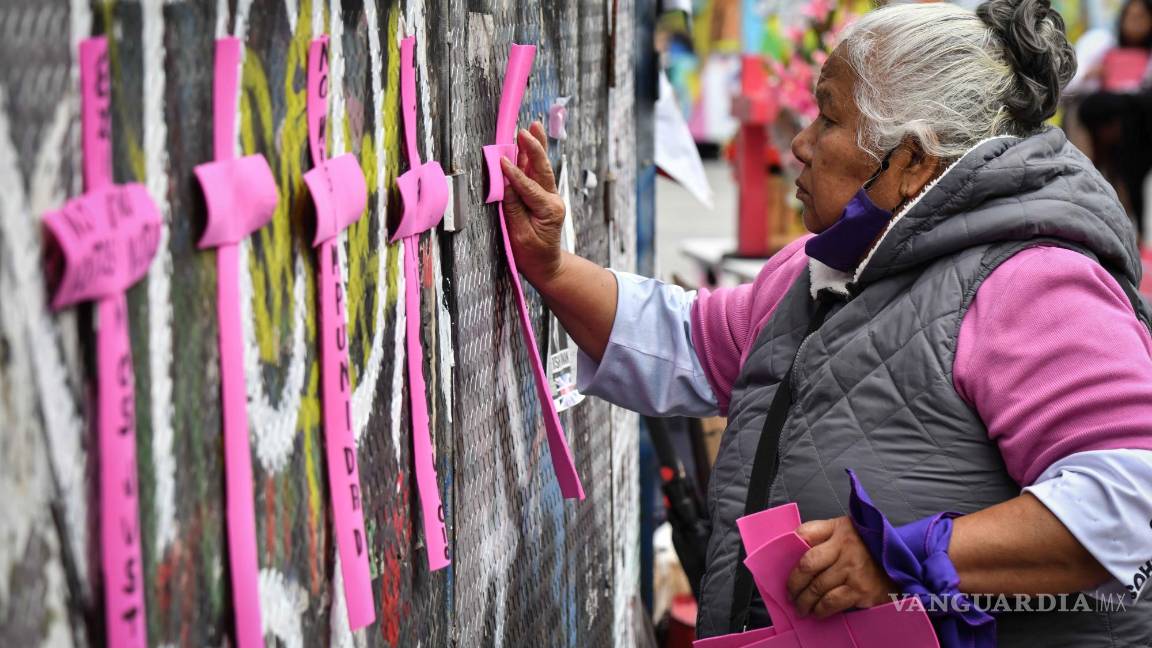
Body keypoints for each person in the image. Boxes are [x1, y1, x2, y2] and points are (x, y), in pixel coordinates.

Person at [499, 0, 1152, 645]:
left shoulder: (1032, 282)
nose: (801, 144)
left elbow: (1126, 505)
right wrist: (553, 268)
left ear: (912, 162)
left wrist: (903, 558)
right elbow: (686, 343)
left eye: (829, 118)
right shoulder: (830, 265)